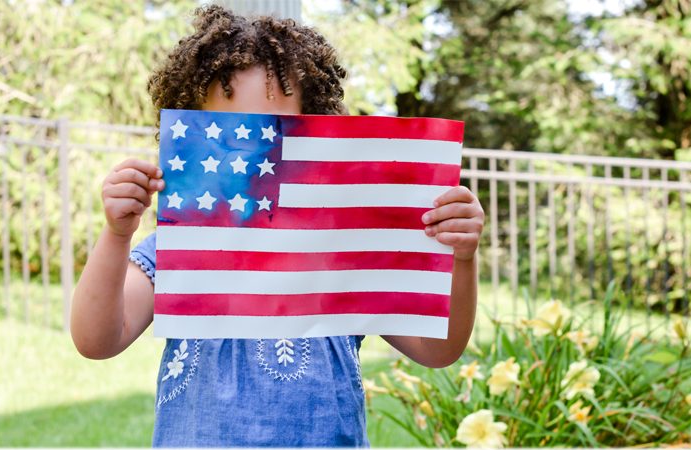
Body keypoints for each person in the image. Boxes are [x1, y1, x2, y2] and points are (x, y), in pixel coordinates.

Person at [70, 5, 484, 447]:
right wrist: (117, 235)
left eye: (276, 131)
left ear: (319, 135)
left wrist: (462, 258)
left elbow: (437, 350)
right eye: (226, 132)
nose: (252, 153)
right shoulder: (177, 249)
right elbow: (97, 339)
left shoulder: (346, 250)